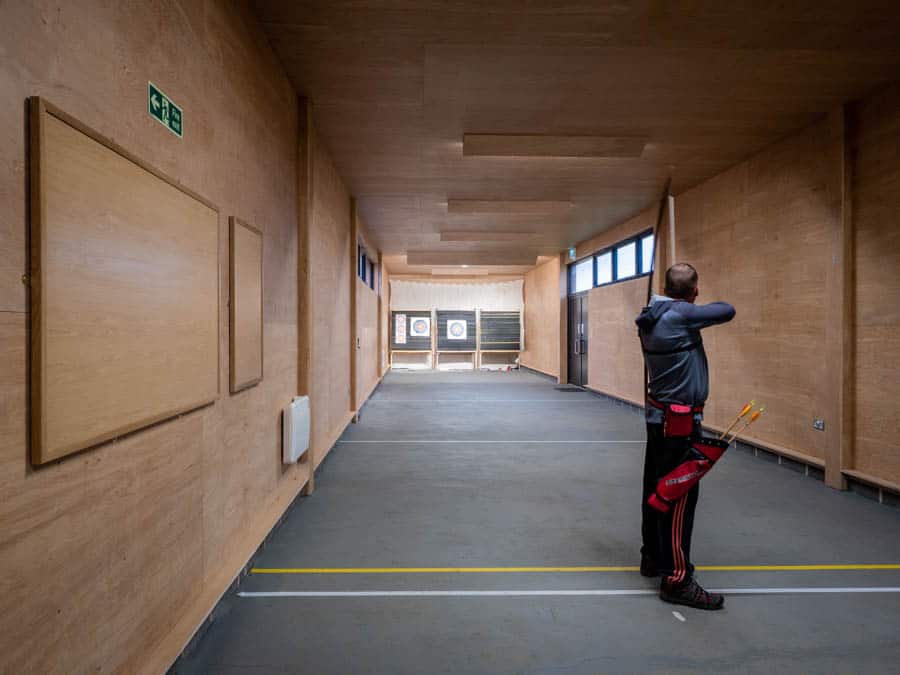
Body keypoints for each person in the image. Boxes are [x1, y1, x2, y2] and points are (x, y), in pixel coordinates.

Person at [635, 263, 735, 610]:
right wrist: (689, 304)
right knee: (678, 497)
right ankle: (676, 579)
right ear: (692, 291)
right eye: (695, 289)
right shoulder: (677, 316)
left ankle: (653, 557)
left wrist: (682, 300)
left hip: (659, 418)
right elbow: (727, 310)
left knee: (656, 490)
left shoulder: (653, 313)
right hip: (678, 425)